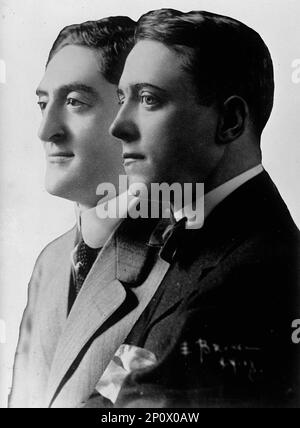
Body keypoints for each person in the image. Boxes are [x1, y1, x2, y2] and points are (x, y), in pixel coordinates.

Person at [107, 9, 300, 408]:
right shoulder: (184, 234)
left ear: (229, 121)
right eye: (121, 99)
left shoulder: (252, 274)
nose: (118, 125)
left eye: (148, 99)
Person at [9, 16, 151, 408]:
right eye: (43, 103)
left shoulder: (185, 261)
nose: (45, 128)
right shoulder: (51, 264)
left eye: (74, 102)